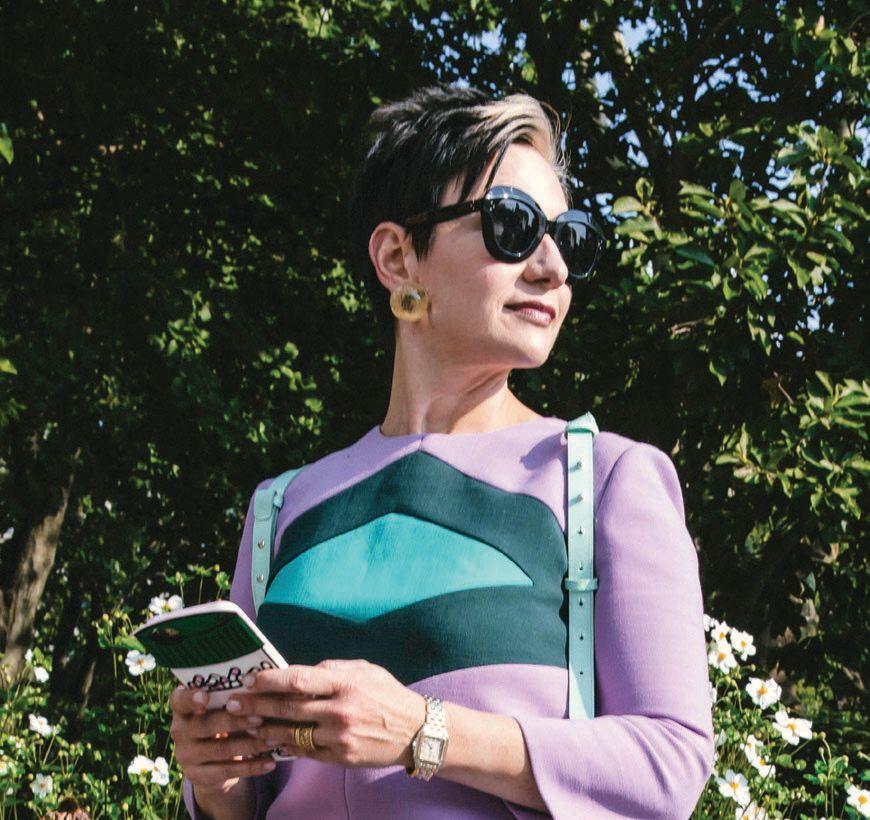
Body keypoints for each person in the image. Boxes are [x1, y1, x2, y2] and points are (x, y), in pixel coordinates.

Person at [169, 82, 714, 819]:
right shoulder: (281, 508)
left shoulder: (606, 480)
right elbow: (254, 799)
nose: (553, 266)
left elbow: (671, 763)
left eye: (569, 237)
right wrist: (216, 779)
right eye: (513, 224)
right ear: (398, 258)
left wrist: (421, 731)